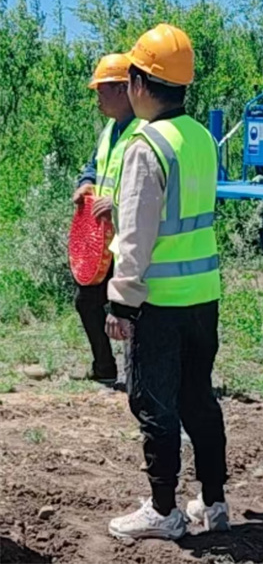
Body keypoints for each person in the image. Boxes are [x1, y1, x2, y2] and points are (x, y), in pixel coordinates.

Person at [105, 23, 229, 542]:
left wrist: (121, 301)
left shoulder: (145, 145)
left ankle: (163, 510)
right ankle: (214, 502)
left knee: (153, 404)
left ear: (139, 82)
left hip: (159, 301)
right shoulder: (200, 137)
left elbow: (136, 234)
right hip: (203, 295)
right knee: (198, 398)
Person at [71, 53, 138, 386]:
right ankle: (104, 367)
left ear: (123, 89)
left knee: (130, 311)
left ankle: (138, 376)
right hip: (101, 240)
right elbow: (94, 166)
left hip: (131, 239)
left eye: (102, 90)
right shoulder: (111, 129)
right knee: (87, 300)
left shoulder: (143, 131)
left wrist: (116, 203)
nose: (97, 97)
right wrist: (85, 183)